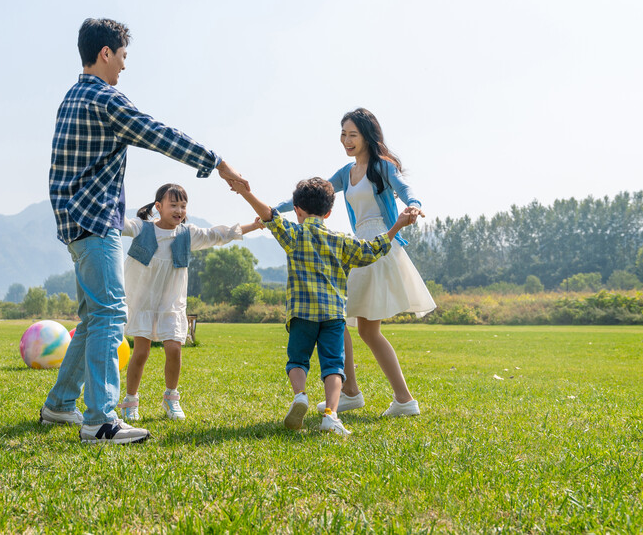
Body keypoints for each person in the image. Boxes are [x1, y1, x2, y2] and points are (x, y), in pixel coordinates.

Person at [41, 18, 249, 445]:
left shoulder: (71, 96)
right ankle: (101, 420)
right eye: (122, 56)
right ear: (105, 53)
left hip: (74, 223)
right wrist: (219, 164)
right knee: (110, 316)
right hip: (95, 222)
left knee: (91, 316)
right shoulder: (105, 98)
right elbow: (158, 134)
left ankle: (60, 403)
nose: (123, 65)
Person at [276, 108, 435, 418]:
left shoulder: (382, 167)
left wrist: (414, 205)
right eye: (343, 134)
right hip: (361, 244)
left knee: (342, 318)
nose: (346, 140)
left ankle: (367, 394)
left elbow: (405, 190)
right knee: (359, 327)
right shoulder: (346, 173)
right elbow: (308, 195)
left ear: (367, 136)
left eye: (352, 134)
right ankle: (383, 397)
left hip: (378, 246)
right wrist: (275, 209)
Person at [231, 176, 417, 436]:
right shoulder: (341, 241)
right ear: (329, 212)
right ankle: (331, 414)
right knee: (333, 366)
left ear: (297, 210)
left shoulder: (294, 235)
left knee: (297, 360)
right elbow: (373, 249)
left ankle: (300, 396)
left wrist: (245, 193)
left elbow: (270, 215)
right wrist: (397, 225)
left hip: (301, 315)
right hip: (333, 317)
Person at [119, 183, 263, 422]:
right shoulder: (141, 228)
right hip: (144, 303)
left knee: (174, 349)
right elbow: (117, 222)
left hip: (171, 304)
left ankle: (171, 398)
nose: (179, 210)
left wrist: (254, 225)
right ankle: (130, 401)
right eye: (173, 205)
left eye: (183, 206)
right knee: (141, 353)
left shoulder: (187, 233)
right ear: (158, 206)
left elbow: (219, 235)